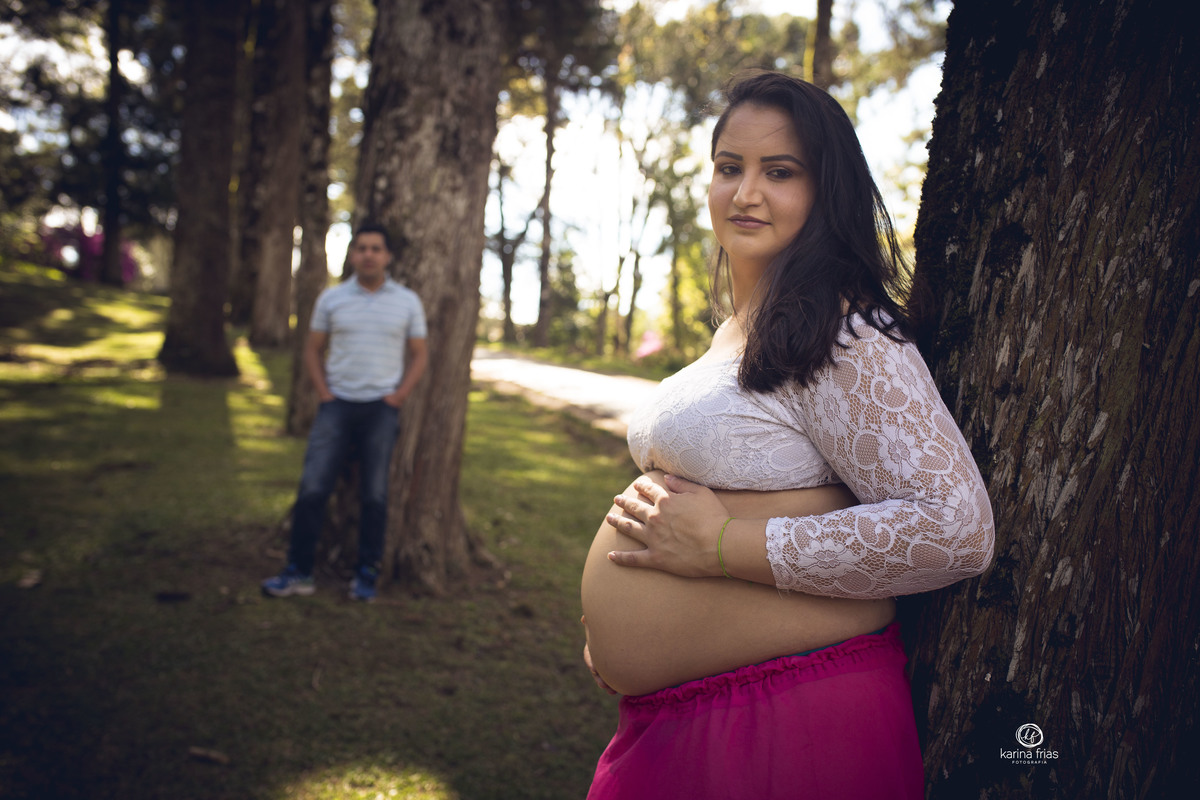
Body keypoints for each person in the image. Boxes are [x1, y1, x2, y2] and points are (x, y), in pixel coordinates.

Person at [580, 70, 995, 798]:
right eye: (729, 168)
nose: (745, 193)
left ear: (824, 189)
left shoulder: (843, 328)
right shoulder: (736, 333)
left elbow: (955, 529)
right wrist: (620, 642)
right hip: (681, 716)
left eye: (780, 172)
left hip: (782, 720)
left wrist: (721, 546)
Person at [262, 223, 428, 602]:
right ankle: (298, 572)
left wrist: (398, 396)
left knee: (375, 494)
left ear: (387, 256)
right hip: (336, 406)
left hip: (381, 409)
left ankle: (366, 575)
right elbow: (311, 349)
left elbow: (420, 354)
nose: (368, 254)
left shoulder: (407, 301)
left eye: (376, 248)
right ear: (352, 255)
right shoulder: (331, 299)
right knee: (313, 488)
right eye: (362, 248)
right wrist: (324, 393)